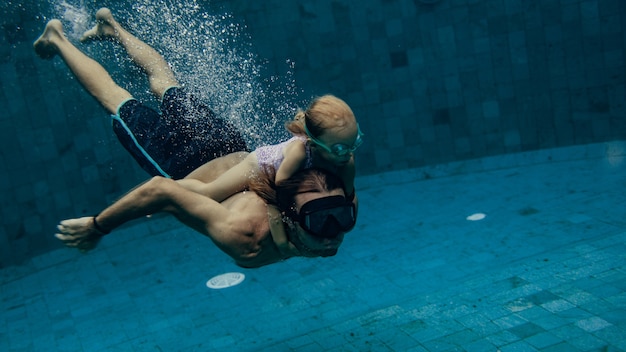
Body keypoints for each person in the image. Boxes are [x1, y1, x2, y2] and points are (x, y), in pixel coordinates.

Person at [34, 9, 358, 267]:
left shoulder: (331, 188)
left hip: (226, 144)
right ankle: (59, 38)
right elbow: (161, 190)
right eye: (319, 222)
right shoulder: (246, 235)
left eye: (342, 218)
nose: (334, 234)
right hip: (181, 163)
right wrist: (96, 227)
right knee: (117, 99)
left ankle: (112, 27)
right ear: (292, 217)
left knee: (164, 82)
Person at [179, 94, 363, 206]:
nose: (348, 153)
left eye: (355, 142)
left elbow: (348, 194)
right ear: (314, 144)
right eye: (340, 149)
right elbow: (281, 182)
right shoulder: (299, 151)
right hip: (258, 165)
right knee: (211, 194)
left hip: (272, 171)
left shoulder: (346, 159)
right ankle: (172, 188)